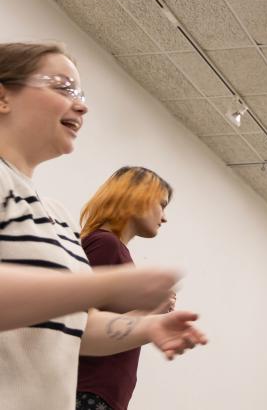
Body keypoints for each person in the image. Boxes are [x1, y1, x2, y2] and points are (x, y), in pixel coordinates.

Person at [0, 42, 207, 409]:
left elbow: (75, 329)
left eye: (80, 94)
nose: (82, 106)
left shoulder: (57, 216)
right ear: (3, 97)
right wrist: (109, 284)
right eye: (62, 87)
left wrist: (147, 326)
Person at [77, 166, 177, 410]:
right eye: (162, 205)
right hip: (88, 391)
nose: (164, 217)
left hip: (100, 394)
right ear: (137, 196)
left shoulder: (114, 249)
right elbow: (79, 323)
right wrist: (151, 310)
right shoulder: (105, 244)